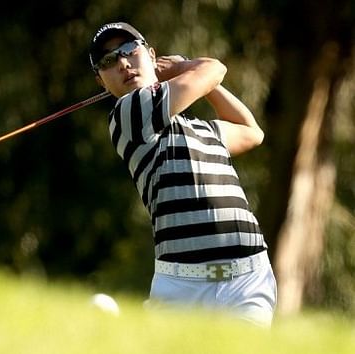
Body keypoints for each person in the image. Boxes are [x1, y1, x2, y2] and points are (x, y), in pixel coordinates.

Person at [89, 22, 277, 327]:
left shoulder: (199, 128)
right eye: (109, 62)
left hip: (247, 279)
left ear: (150, 55)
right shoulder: (128, 114)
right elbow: (214, 69)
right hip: (181, 288)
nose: (122, 63)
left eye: (128, 50)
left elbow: (251, 131)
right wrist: (185, 67)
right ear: (102, 81)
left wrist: (192, 78)